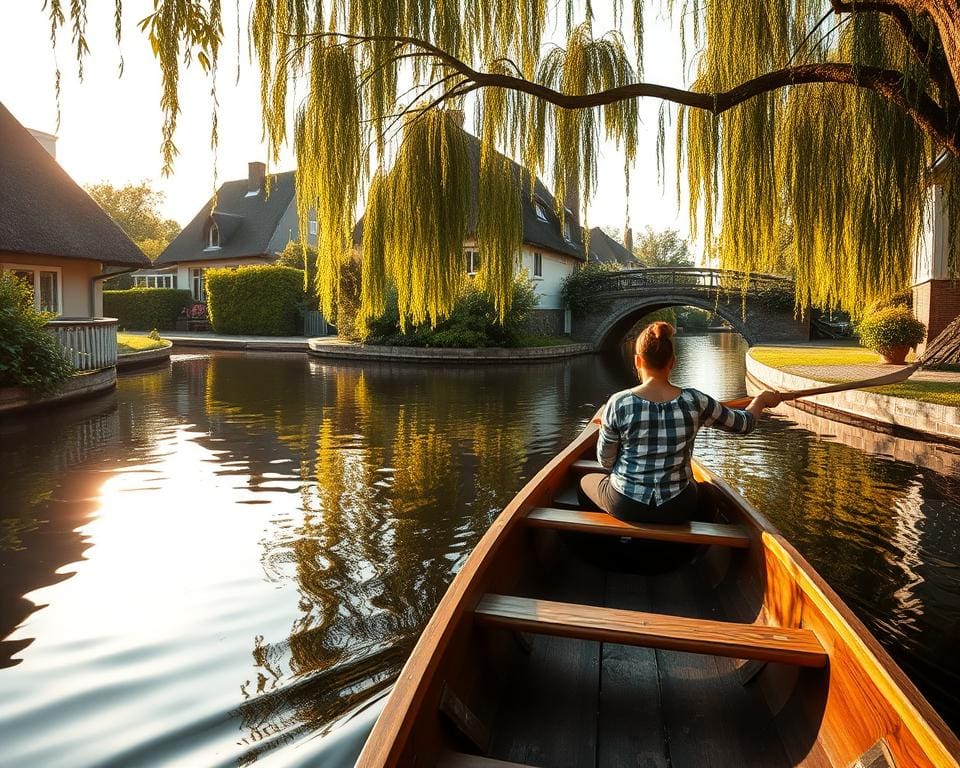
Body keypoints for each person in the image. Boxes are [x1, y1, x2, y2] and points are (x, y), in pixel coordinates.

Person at [580, 321, 782, 524]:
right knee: (710, 494)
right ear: (672, 362)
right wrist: (761, 401)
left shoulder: (618, 403)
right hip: (676, 506)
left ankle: (607, 547)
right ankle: (689, 551)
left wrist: (607, 427)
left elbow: (605, 462)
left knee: (583, 484)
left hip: (626, 504)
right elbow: (744, 424)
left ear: (638, 361)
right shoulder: (695, 401)